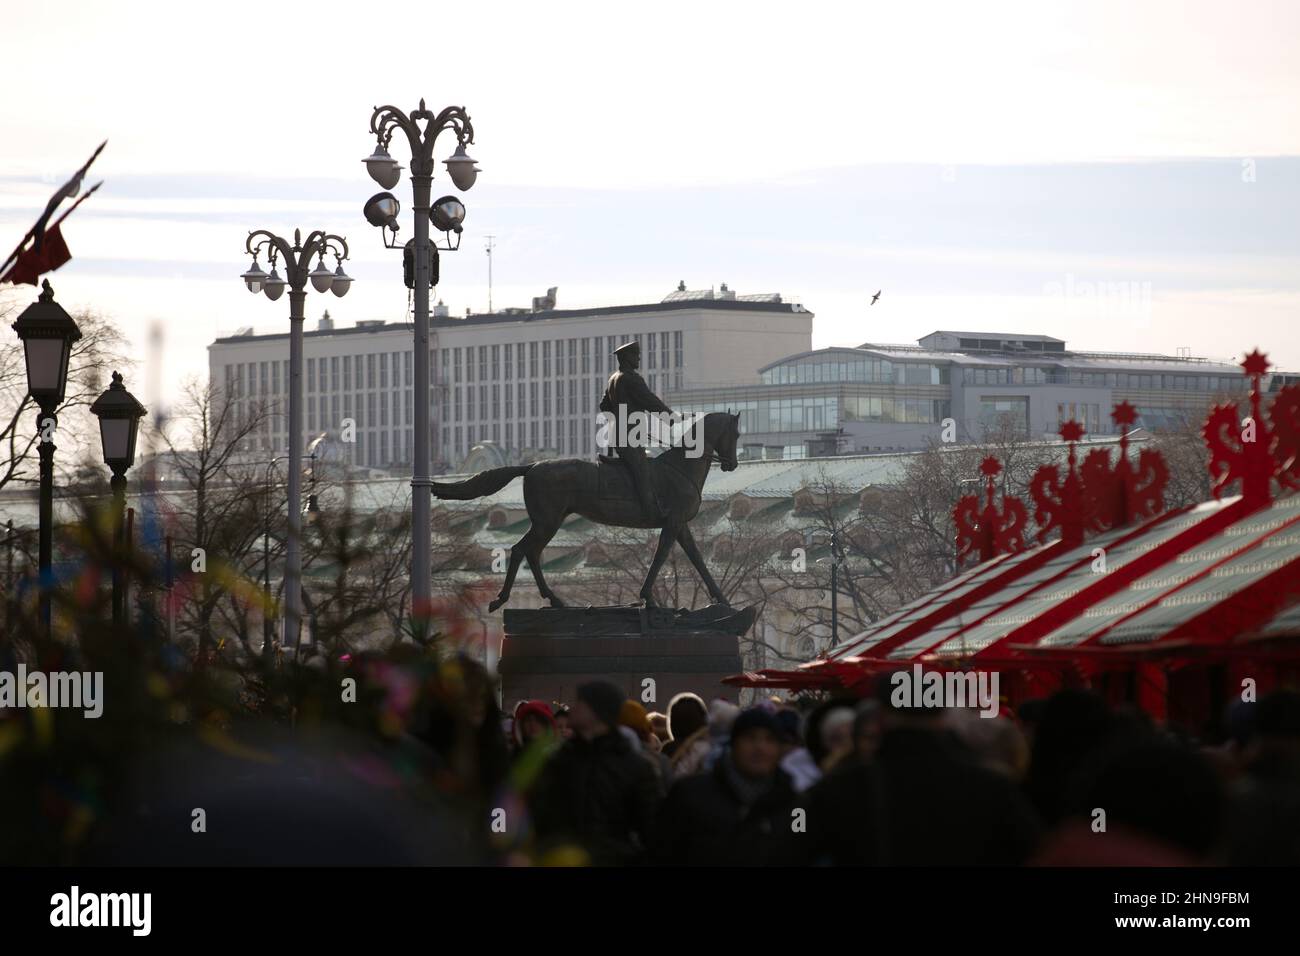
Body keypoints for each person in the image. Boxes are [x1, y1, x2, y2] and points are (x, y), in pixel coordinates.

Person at [530, 681, 662, 865]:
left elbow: (652, 832)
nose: (573, 708)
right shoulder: (559, 761)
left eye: (580, 702)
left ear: (597, 711)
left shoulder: (634, 767)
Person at [650, 707, 797, 866]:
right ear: (734, 744)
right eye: (750, 738)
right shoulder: (690, 795)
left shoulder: (794, 803)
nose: (760, 747)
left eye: (769, 740)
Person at [600, 340, 673, 521]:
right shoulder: (631, 378)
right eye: (635, 355)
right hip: (628, 437)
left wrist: (620, 419)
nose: (639, 358)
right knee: (642, 471)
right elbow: (649, 401)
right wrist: (670, 417)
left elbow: (604, 406)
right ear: (626, 357)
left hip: (619, 435)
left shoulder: (613, 379)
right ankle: (649, 510)